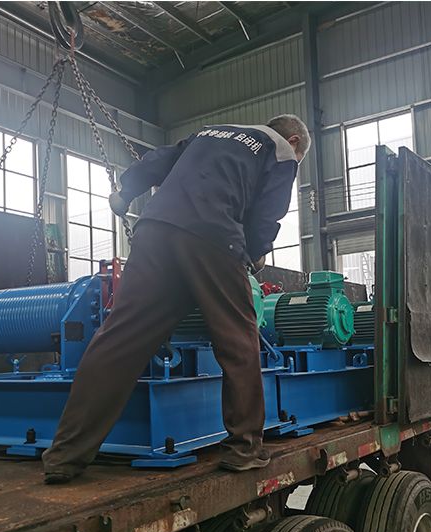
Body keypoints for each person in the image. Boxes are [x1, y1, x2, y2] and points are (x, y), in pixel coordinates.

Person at [43, 115, 310, 483]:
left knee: (119, 340)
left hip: (155, 232)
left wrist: (126, 191)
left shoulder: (209, 133)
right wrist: (256, 251)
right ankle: (244, 449)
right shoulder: (280, 150)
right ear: (294, 141)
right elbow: (268, 212)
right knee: (239, 342)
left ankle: (64, 455)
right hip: (214, 235)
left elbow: (157, 161)